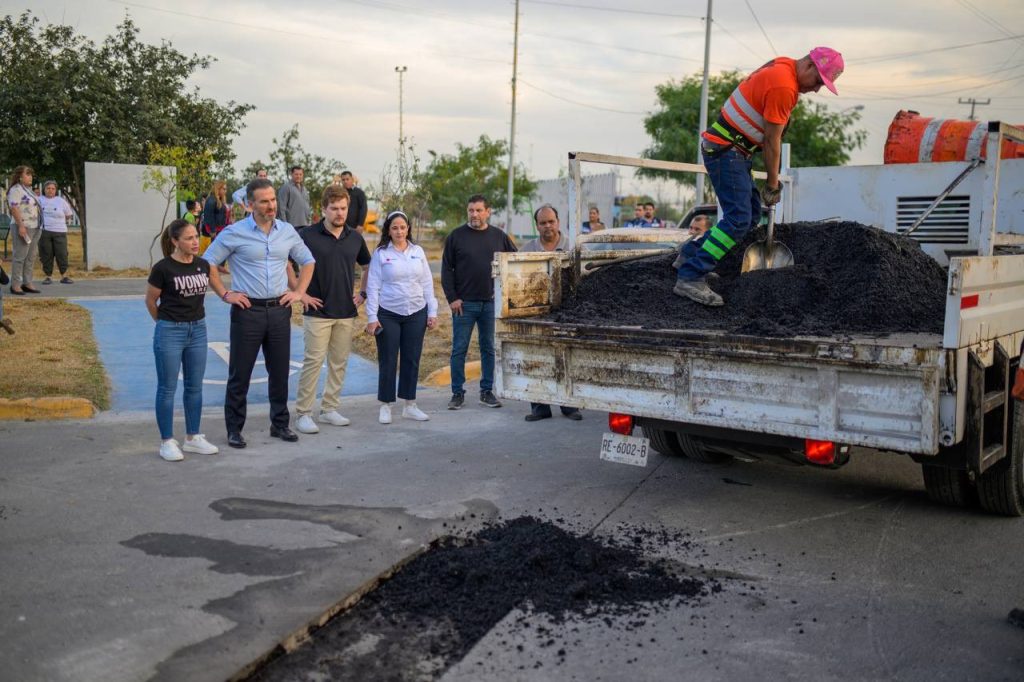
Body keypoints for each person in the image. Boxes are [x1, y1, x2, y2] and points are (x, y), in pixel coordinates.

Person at [674, 47, 844, 307]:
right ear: (810, 65)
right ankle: (690, 276)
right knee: (739, 219)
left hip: (732, 148)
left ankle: (689, 255)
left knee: (751, 215)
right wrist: (773, 185)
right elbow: (772, 142)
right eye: (819, 81)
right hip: (727, 149)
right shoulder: (784, 87)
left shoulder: (783, 64)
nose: (817, 89)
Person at [203, 178, 316, 448]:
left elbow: (308, 261)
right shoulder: (234, 232)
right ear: (250, 204)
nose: (271, 206)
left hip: (279, 310)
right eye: (264, 201)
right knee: (239, 374)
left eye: (273, 200)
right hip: (247, 312)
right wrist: (224, 293)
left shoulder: (287, 231)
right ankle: (234, 429)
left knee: (279, 371)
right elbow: (207, 261)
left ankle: (280, 424)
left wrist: (298, 292)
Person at [293, 185, 371, 435]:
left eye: (343, 208)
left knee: (339, 363)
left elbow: (368, 266)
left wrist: (363, 293)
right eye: (334, 208)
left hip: (345, 311)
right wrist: (300, 293)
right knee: (313, 362)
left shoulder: (355, 238)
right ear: (323, 209)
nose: (339, 213)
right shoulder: (307, 235)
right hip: (316, 312)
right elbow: (284, 260)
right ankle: (304, 413)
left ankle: (329, 409)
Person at [145, 220, 220, 462]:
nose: (195, 242)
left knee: (194, 386)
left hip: (198, 330)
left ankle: (193, 437)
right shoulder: (163, 268)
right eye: (188, 238)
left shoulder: (203, 265)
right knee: (167, 388)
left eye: (196, 236)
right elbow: (150, 301)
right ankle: (167, 441)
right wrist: (165, 325)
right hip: (170, 330)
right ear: (175, 242)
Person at [441, 193, 517, 410]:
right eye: (471, 210)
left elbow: (514, 262)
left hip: (490, 304)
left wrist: (505, 294)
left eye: (478, 210)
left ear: (488, 212)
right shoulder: (456, 236)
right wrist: (452, 298)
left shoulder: (499, 236)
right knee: (459, 349)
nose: (474, 214)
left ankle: (486, 391)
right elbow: (447, 269)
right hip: (463, 305)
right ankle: (457, 393)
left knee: (488, 349)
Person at [365, 211, 438, 424]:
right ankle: (386, 406)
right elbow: (373, 286)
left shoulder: (418, 251)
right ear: (388, 230)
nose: (399, 231)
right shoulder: (380, 254)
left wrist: (432, 311)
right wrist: (372, 316)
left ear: (408, 229)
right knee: (388, 359)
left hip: (416, 311)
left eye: (403, 227)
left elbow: (427, 283)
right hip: (388, 313)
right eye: (395, 227)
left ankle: (410, 405)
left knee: (411, 358)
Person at [518, 205, 582, 422]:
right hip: (536, 312)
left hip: (568, 312)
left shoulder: (573, 248)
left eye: (551, 221)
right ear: (537, 226)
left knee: (566, 358)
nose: (548, 226)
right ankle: (540, 407)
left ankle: (569, 406)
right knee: (536, 359)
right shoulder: (527, 250)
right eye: (543, 223)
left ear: (558, 222)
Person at [6, 165, 42, 295]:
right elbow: (14, 208)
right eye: (28, 174)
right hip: (23, 226)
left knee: (31, 257)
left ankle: (27, 283)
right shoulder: (16, 190)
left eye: (31, 174)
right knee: (20, 256)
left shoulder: (29, 190)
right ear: (20, 177)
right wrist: (21, 226)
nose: (30, 177)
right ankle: (15, 285)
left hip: (35, 227)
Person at [37, 180, 75, 285]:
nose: (50, 190)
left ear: (56, 190)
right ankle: (48, 277)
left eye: (53, 189)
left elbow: (68, 215)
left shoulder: (61, 201)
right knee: (46, 254)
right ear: (44, 190)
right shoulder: (39, 200)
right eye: (48, 188)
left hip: (60, 231)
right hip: (44, 231)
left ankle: (64, 276)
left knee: (62, 253)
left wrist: (59, 222)